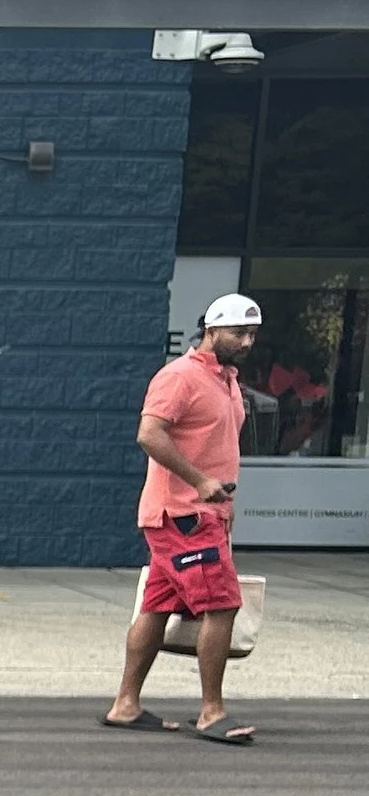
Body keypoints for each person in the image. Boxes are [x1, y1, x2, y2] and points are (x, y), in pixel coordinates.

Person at [103, 291, 259, 745]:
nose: (247, 342)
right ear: (210, 330)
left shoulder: (228, 380)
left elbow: (218, 446)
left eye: (252, 333)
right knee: (223, 603)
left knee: (157, 606)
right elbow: (149, 435)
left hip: (204, 514)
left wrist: (224, 505)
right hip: (181, 515)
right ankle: (212, 713)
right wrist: (201, 482)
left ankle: (125, 705)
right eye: (237, 332)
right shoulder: (180, 377)